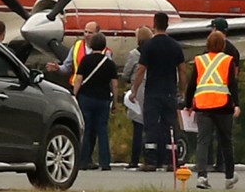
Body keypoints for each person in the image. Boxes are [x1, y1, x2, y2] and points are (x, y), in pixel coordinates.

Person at [130, 13, 187, 171]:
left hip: (152, 92)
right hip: (169, 91)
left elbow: (141, 70)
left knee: (151, 126)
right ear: (167, 25)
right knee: (170, 125)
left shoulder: (149, 46)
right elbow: (182, 70)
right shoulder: (175, 46)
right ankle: (171, 161)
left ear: (154, 25)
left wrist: (135, 89)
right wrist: (182, 90)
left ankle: (150, 161)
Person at [185, 30, 241, 190]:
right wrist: (237, 103)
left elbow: (192, 84)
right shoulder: (227, 60)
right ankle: (229, 176)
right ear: (223, 45)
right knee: (226, 141)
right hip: (223, 104)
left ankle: (202, 176)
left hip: (202, 104)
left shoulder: (199, 60)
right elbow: (232, 84)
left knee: (203, 141)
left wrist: (188, 104)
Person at [72, 32, 118, 171]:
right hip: (103, 99)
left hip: (86, 98)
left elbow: (79, 79)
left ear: (91, 45)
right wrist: (115, 102)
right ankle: (105, 162)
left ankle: (83, 161)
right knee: (102, 131)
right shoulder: (109, 63)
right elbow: (114, 84)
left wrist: (74, 95)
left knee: (86, 129)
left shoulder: (85, 60)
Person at [208, 18, 240, 172]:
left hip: (210, 94)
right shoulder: (234, 51)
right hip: (226, 94)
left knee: (207, 130)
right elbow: (235, 75)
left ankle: (208, 160)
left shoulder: (210, 50)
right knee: (224, 133)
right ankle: (222, 162)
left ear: (216, 29)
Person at [121, 26, 153, 169]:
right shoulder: (155, 53)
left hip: (138, 90)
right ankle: (151, 158)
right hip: (152, 90)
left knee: (138, 128)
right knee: (151, 127)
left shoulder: (134, 54)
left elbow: (126, 74)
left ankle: (134, 159)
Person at [46, 21, 111, 86]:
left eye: (90, 33)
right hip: (77, 87)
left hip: (95, 89)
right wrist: (58, 68)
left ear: (97, 34)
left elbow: (110, 73)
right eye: (85, 32)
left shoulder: (105, 52)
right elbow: (67, 67)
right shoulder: (77, 46)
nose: (87, 35)